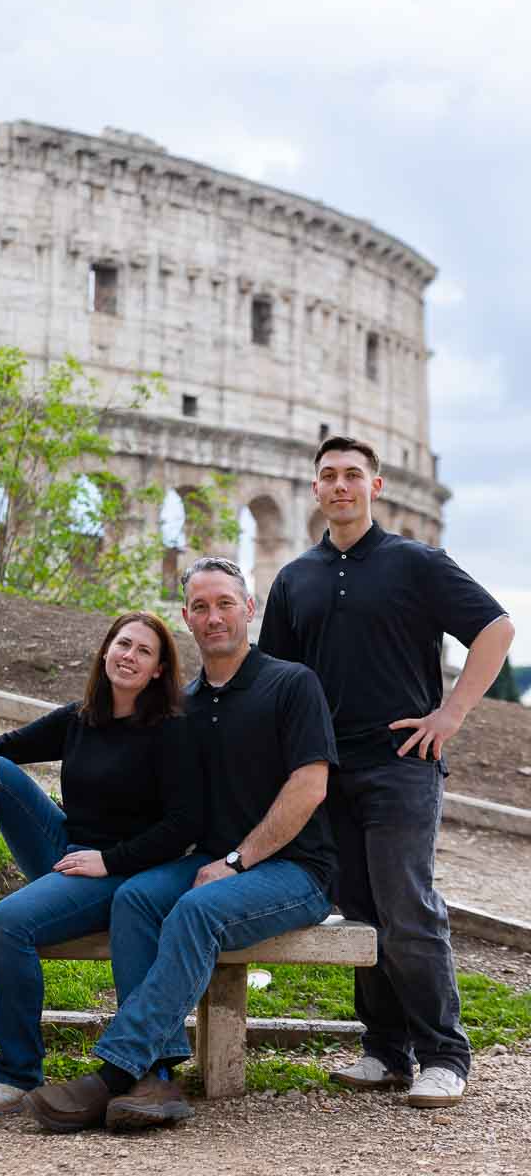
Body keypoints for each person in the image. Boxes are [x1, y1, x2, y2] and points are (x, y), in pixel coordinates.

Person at [22, 557, 339, 1133]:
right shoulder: (182, 704)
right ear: (187, 619)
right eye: (200, 606)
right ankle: (159, 1078)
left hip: (295, 871)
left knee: (195, 910)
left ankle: (117, 1070)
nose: (213, 616)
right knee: (137, 900)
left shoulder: (291, 683)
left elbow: (310, 786)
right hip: (206, 860)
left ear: (249, 609)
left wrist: (239, 861)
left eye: (224, 603)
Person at [258, 435, 514, 1109]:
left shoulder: (416, 564)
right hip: (325, 770)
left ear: (376, 487)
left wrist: (451, 715)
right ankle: (384, 1052)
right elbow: (277, 679)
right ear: (315, 491)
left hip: (403, 764)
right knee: (363, 911)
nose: (340, 485)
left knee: (407, 908)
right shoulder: (295, 579)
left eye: (352, 475)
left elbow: (495, 628)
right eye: (328, 476)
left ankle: (443, 1055)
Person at [0, 611, 203, 1116]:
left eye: (143, 651)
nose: (129, 656)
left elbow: (185, 825)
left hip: (124, 872)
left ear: (159, 669)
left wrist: (108, 861)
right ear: (105, 650)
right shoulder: (81, 717)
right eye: (123, 644)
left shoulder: (171, 730)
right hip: (70, 853)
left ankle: (16, 1072)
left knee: (8, 923)